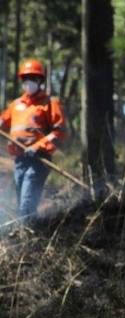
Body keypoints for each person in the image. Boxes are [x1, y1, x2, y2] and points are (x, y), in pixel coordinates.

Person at [0, 59, 66, 225]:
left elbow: (59, 132)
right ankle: (33, 232)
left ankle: (29, 239)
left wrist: (38, 147)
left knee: (27, 203)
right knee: (22, 202)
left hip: (38, 161)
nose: (28, 82)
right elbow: (3, 121)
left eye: (33, 78)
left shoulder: (50, 103)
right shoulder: (16, 105)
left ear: (40, 80)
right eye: (25, 78)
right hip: (20, 160)